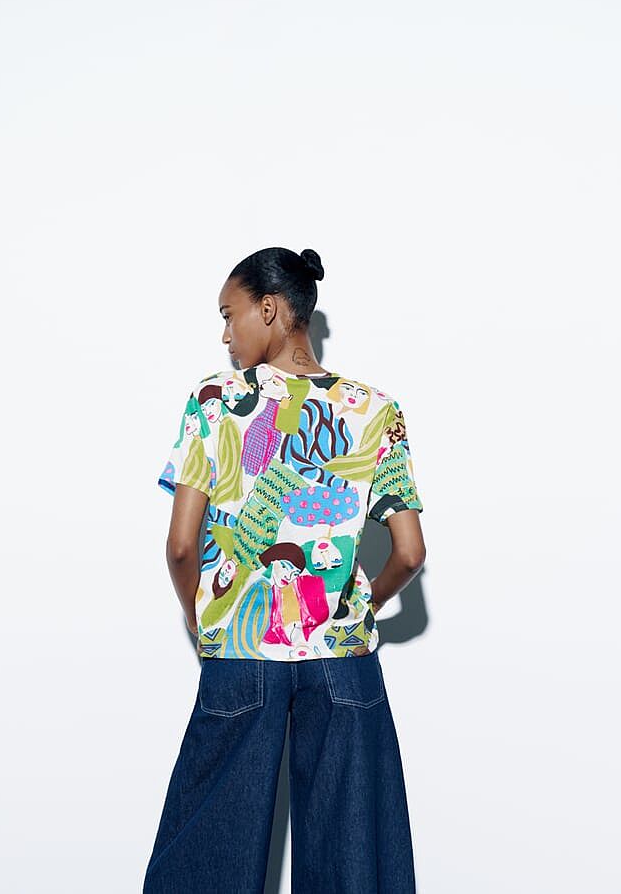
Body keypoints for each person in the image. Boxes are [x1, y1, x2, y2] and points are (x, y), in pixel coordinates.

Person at [143, 246, 427, 894]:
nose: (225, 335)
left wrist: (201, 617)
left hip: (241, 652)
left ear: (269, 308)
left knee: (207, 855)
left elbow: (181, 546)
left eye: (229, 314)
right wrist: (358, 606)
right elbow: (410, 553)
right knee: (353, 861)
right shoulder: (376, 408)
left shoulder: (215, 401)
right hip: (345, 660)